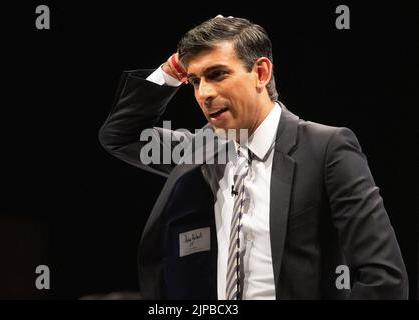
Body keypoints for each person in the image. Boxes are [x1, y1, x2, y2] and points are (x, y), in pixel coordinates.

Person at [98, 16, 408, 299]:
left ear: (260, 72)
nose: (203, 93)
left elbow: (383, 278)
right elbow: (121, 134)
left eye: (217, 74)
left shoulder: (326, 148)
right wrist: (172, 70)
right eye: (194, 81)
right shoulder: (200, 151)